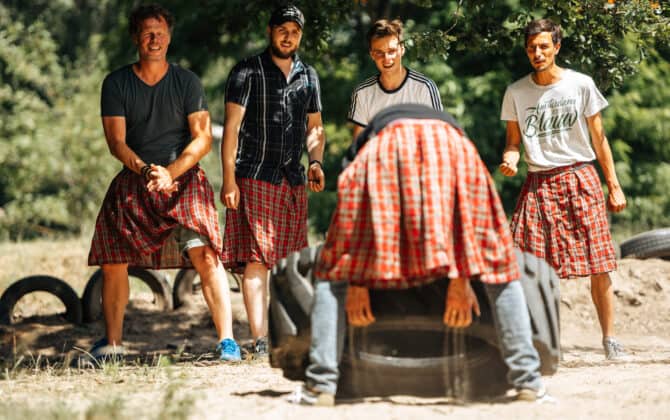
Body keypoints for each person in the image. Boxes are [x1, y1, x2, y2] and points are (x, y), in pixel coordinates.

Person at [288, 104, 546, 406]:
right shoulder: (446, 129)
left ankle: (321, 387)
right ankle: (528, 382)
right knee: (498, 263)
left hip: (386, 145)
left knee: (331, 272)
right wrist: (459, 282)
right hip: (453, 147)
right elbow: (461, 230)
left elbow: (352, 229)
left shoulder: (363, 143)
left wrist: (354, 282)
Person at [87, 3, 241, 362]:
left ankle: (227, 342)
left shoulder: (187, 82)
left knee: (205, 253)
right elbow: (116, 142)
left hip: (183, 179)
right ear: (135, 37)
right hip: (135, 177)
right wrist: (146, 171)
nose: (154, 39)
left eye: (160, 32)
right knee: (112, 261)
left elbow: (202, 139)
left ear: (169, 37)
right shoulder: (116, 83)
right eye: (147, 32)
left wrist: (170, 172)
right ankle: (112, 344)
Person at [499, 19, 627, 360]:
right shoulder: (516, 92)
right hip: (538, 182)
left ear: (557, 47)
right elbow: (512, 143)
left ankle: (610, 340)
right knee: (526, 262)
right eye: (531, 48)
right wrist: (510, 160)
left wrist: (613, 186)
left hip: (579, 177)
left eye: (543, 46)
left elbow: (600, 140)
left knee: (599, 263)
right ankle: (536, 342)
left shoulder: (580, 85)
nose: (537, 53)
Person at [221, 4, 325, 357]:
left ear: (300, 35)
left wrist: (315, 162)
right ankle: (262, 339)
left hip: (292, 178)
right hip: (253, 174)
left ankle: (291, 335)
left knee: (291, 262)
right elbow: (231, 130)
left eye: (294, 31)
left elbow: (315, 127)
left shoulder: (309, 75)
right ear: (270, 31)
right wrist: (229, 180)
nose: (288, 35)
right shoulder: (246, 71)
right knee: (256, 260)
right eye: (282, 29)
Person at [348, 19, 443, 140]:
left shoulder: (424, 87)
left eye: (391, 51)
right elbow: (358, 146)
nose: (387, 58)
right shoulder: (362, 93)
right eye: (379, 53)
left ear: (402, 49)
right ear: (372, 54)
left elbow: (439, 135)